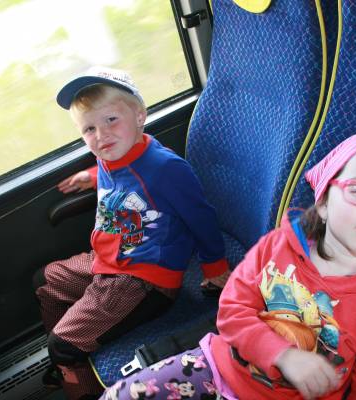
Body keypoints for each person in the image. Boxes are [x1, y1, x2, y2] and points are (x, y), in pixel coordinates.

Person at [98, 131, 356, 400]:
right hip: (218, 368)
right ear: (324, 203)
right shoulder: (277, 246)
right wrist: (282, 355)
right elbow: (231, 310)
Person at [34, 66, 231, 400]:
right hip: (109, 259)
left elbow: (201, 216)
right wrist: (91, 177)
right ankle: (73, 359)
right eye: (89, 129)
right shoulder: (113, 155)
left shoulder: (166, 169)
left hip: (141, 279)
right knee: (46, 281)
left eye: (111, 120)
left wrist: (215, 268)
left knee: (62, 345)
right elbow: (121, 176)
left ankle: (75, 367)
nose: (101, 135)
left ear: (140, 115)